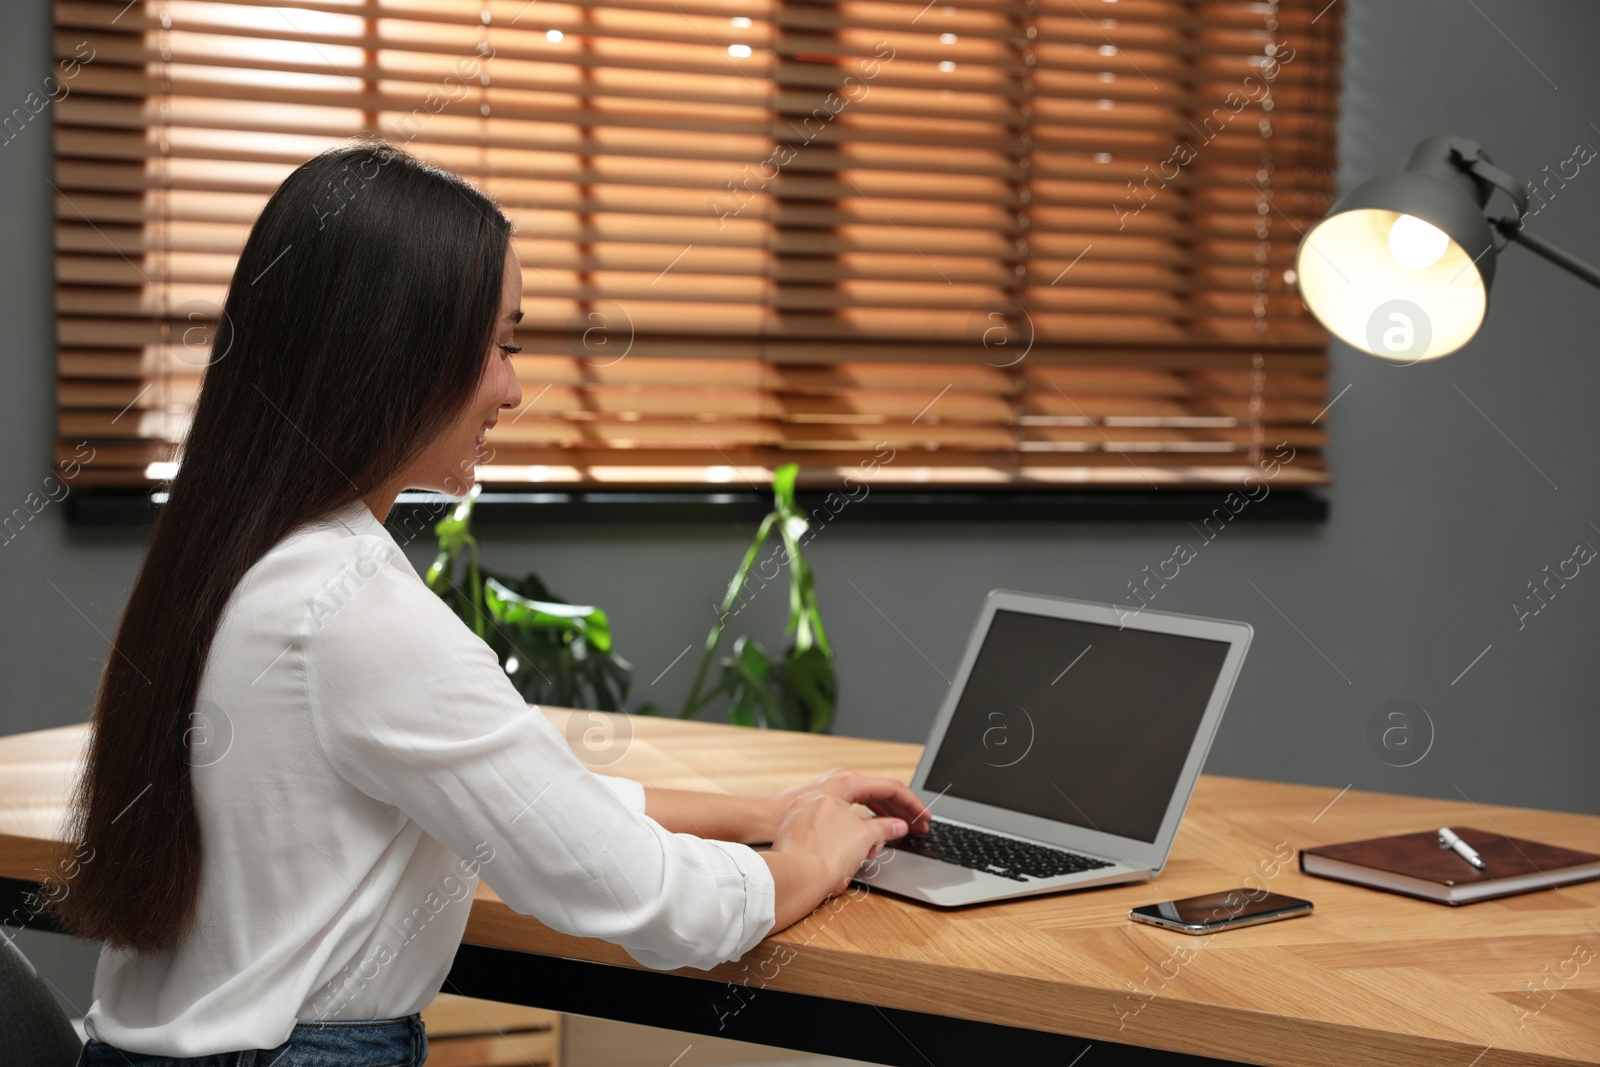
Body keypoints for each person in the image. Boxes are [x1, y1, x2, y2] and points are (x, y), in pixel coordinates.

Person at [53, 142, 930, 1066]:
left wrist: (772, 809)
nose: (513, 388)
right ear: (393, 349)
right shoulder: (354, 609)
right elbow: (654, 902)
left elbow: (530, 794)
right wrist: (812, 862)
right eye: (502, 344)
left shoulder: (240, 557)